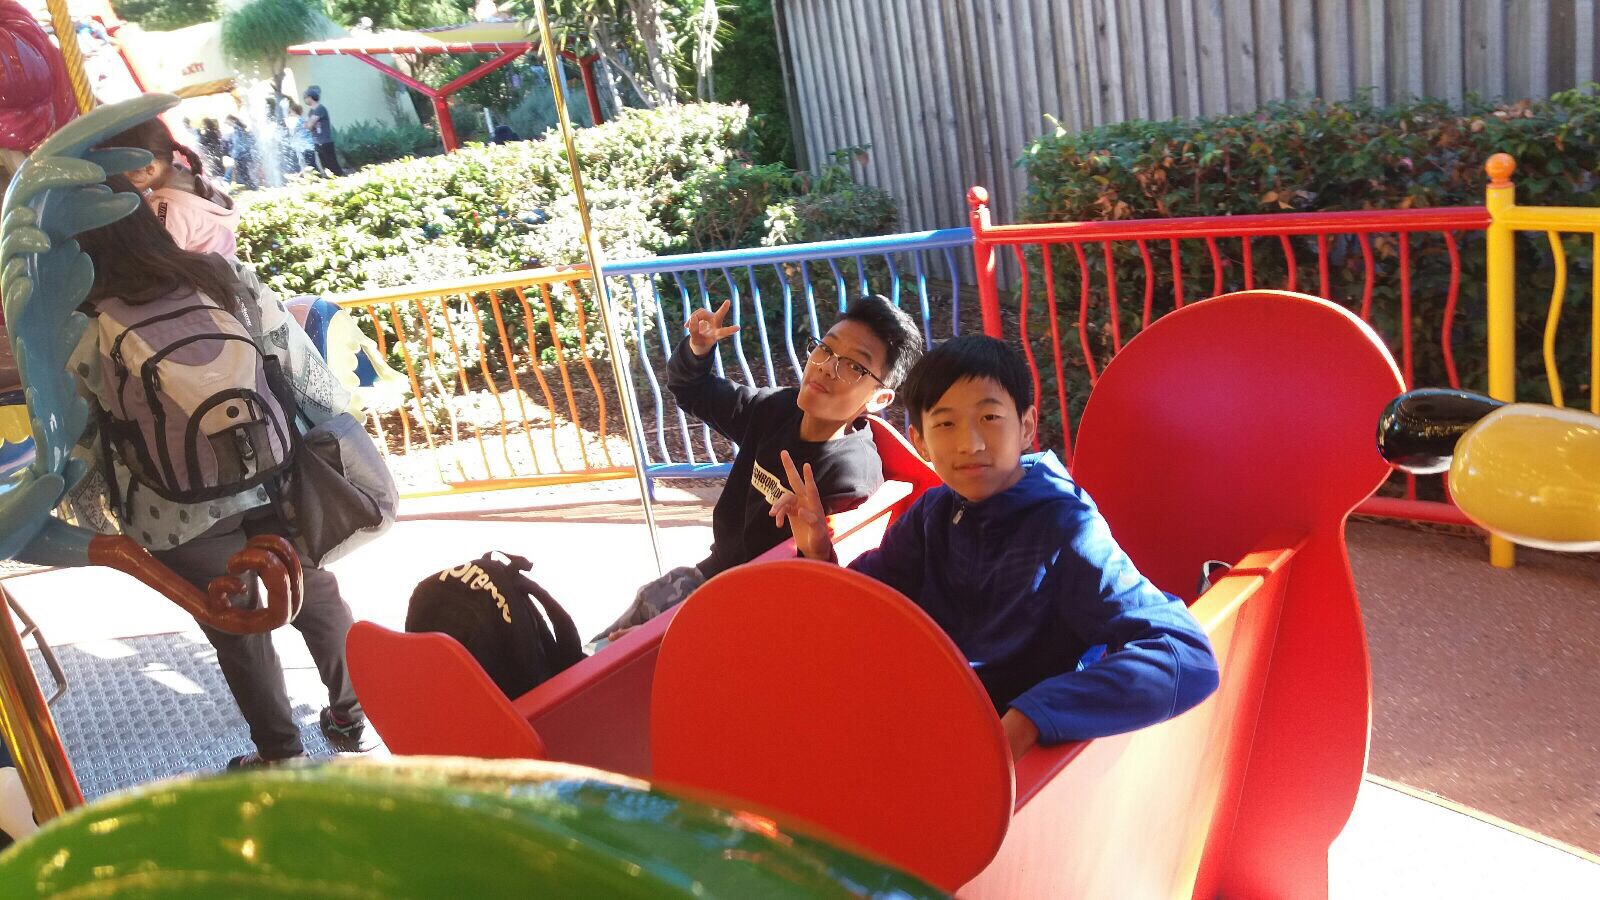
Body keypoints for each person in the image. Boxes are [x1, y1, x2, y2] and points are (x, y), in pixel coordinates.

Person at [773, 335, 1220, 761]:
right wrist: (818, 553)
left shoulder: (1065, 528)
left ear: (1025, 426)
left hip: (1015, 764)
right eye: (945, 423)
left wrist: (1032, 716)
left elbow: (1186, 654)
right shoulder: (933, 514)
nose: (970, 444)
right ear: (921, 441)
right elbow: (869, 603)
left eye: (989, 418)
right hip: (928, 724)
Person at [65, 177, 370, 769]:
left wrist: (94, 520)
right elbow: (298, 369)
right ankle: (355, 714)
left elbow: (86, 434)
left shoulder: (85, 324)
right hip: (271, 470)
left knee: (235, 619)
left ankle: (281, 754)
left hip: (171, 503)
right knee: (312, 589)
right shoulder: (224, 279)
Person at [597, 295, 924, 640]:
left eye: (854, 366)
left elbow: (804, 592)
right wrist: (699, 348)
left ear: (879, 398)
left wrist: (665, 640)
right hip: (709, 580)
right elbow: (692, 390)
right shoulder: (776, 410)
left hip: (746, 616)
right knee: (600, 639)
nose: (827, 367)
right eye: (826, 349)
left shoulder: (850, 476)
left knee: (606, 658)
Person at [100, 118, 239, 258]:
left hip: (201, 270)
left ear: (149, 168)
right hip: (224, 265)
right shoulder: (187, 178)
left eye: (119, 171)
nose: (117, 179)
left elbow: (161, 259)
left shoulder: (167, 207)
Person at [302, 86, 344, 176]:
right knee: (326, 167)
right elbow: (308, 126)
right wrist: (309, 124)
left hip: (325, 142)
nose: (304, 100)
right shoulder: (311, 111)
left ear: (310, 97)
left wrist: (309, 124)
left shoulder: (320, 109)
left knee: (333, 166)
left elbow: (309, 125)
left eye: (305, 97)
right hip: (318, 143)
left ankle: (342, 179)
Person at [285, 101, 315, 173]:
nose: (289, 114)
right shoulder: (304, 119)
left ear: (294, 112)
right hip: (309, 146)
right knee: (311, 165)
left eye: (290, 112)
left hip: (303, 147)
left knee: (306, 166)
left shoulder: (295, 121)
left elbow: (292, 133)